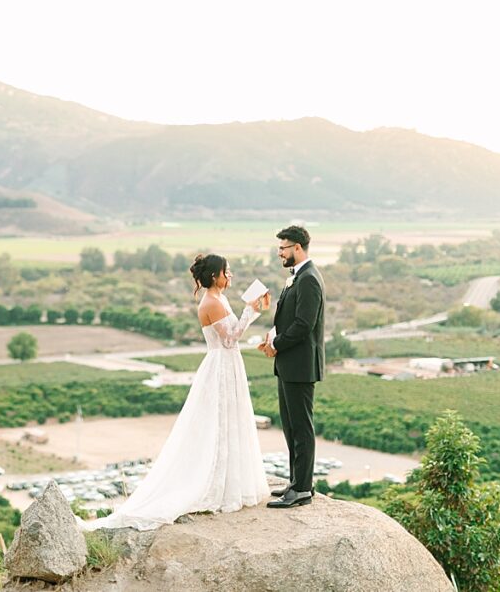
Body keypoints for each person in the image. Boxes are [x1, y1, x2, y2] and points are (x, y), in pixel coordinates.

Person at [82, 253, 270, 531]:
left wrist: (251, 311)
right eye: (225, 272)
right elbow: (230, 339)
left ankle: (229, 479)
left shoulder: (218, 299)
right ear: (214, 276)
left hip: (227, 363)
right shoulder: (212, 302)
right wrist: (250, 311)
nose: (229, 275)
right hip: (221, 363)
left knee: (230, 420)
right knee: (220, 421)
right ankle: (218, 483)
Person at [259, 225, 325, 509]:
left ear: (297, 248)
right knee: (290, 427)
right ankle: (295, 482)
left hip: (300, 366)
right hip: (289, 365)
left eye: (283, 248)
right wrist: (272, 336)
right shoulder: (297, 277)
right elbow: (289, 319)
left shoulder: (309, 279)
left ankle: (302, 489)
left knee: (301, 428)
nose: (279, 254)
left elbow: (303, 325)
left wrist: (277, 344)